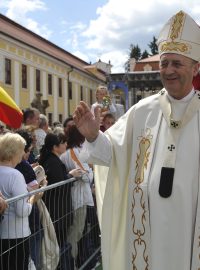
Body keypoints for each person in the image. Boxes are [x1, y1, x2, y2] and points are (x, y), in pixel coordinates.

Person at [73, 10, 200, 270]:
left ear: (196, 67)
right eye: (164, 63)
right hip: (147, 236)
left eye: (177, 63)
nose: (169, 70)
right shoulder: (143, 111)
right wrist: (93, 135)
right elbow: (110, 153)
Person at [0, 133, 40, 270]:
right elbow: (22, 211)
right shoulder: (15, 175)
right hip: (17, 236)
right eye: (22, 149)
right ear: (13, 151)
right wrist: (34, 197)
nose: (23, 153)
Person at [60, 125, 94, 264]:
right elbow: (86, 176)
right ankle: (70, 264)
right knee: (75, 234)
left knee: (78, 233)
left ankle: (72, 262)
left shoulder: (74, 151)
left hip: (79, 198)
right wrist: (91, 170)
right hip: (78, 199)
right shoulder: (74, 152)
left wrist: (90, 170)